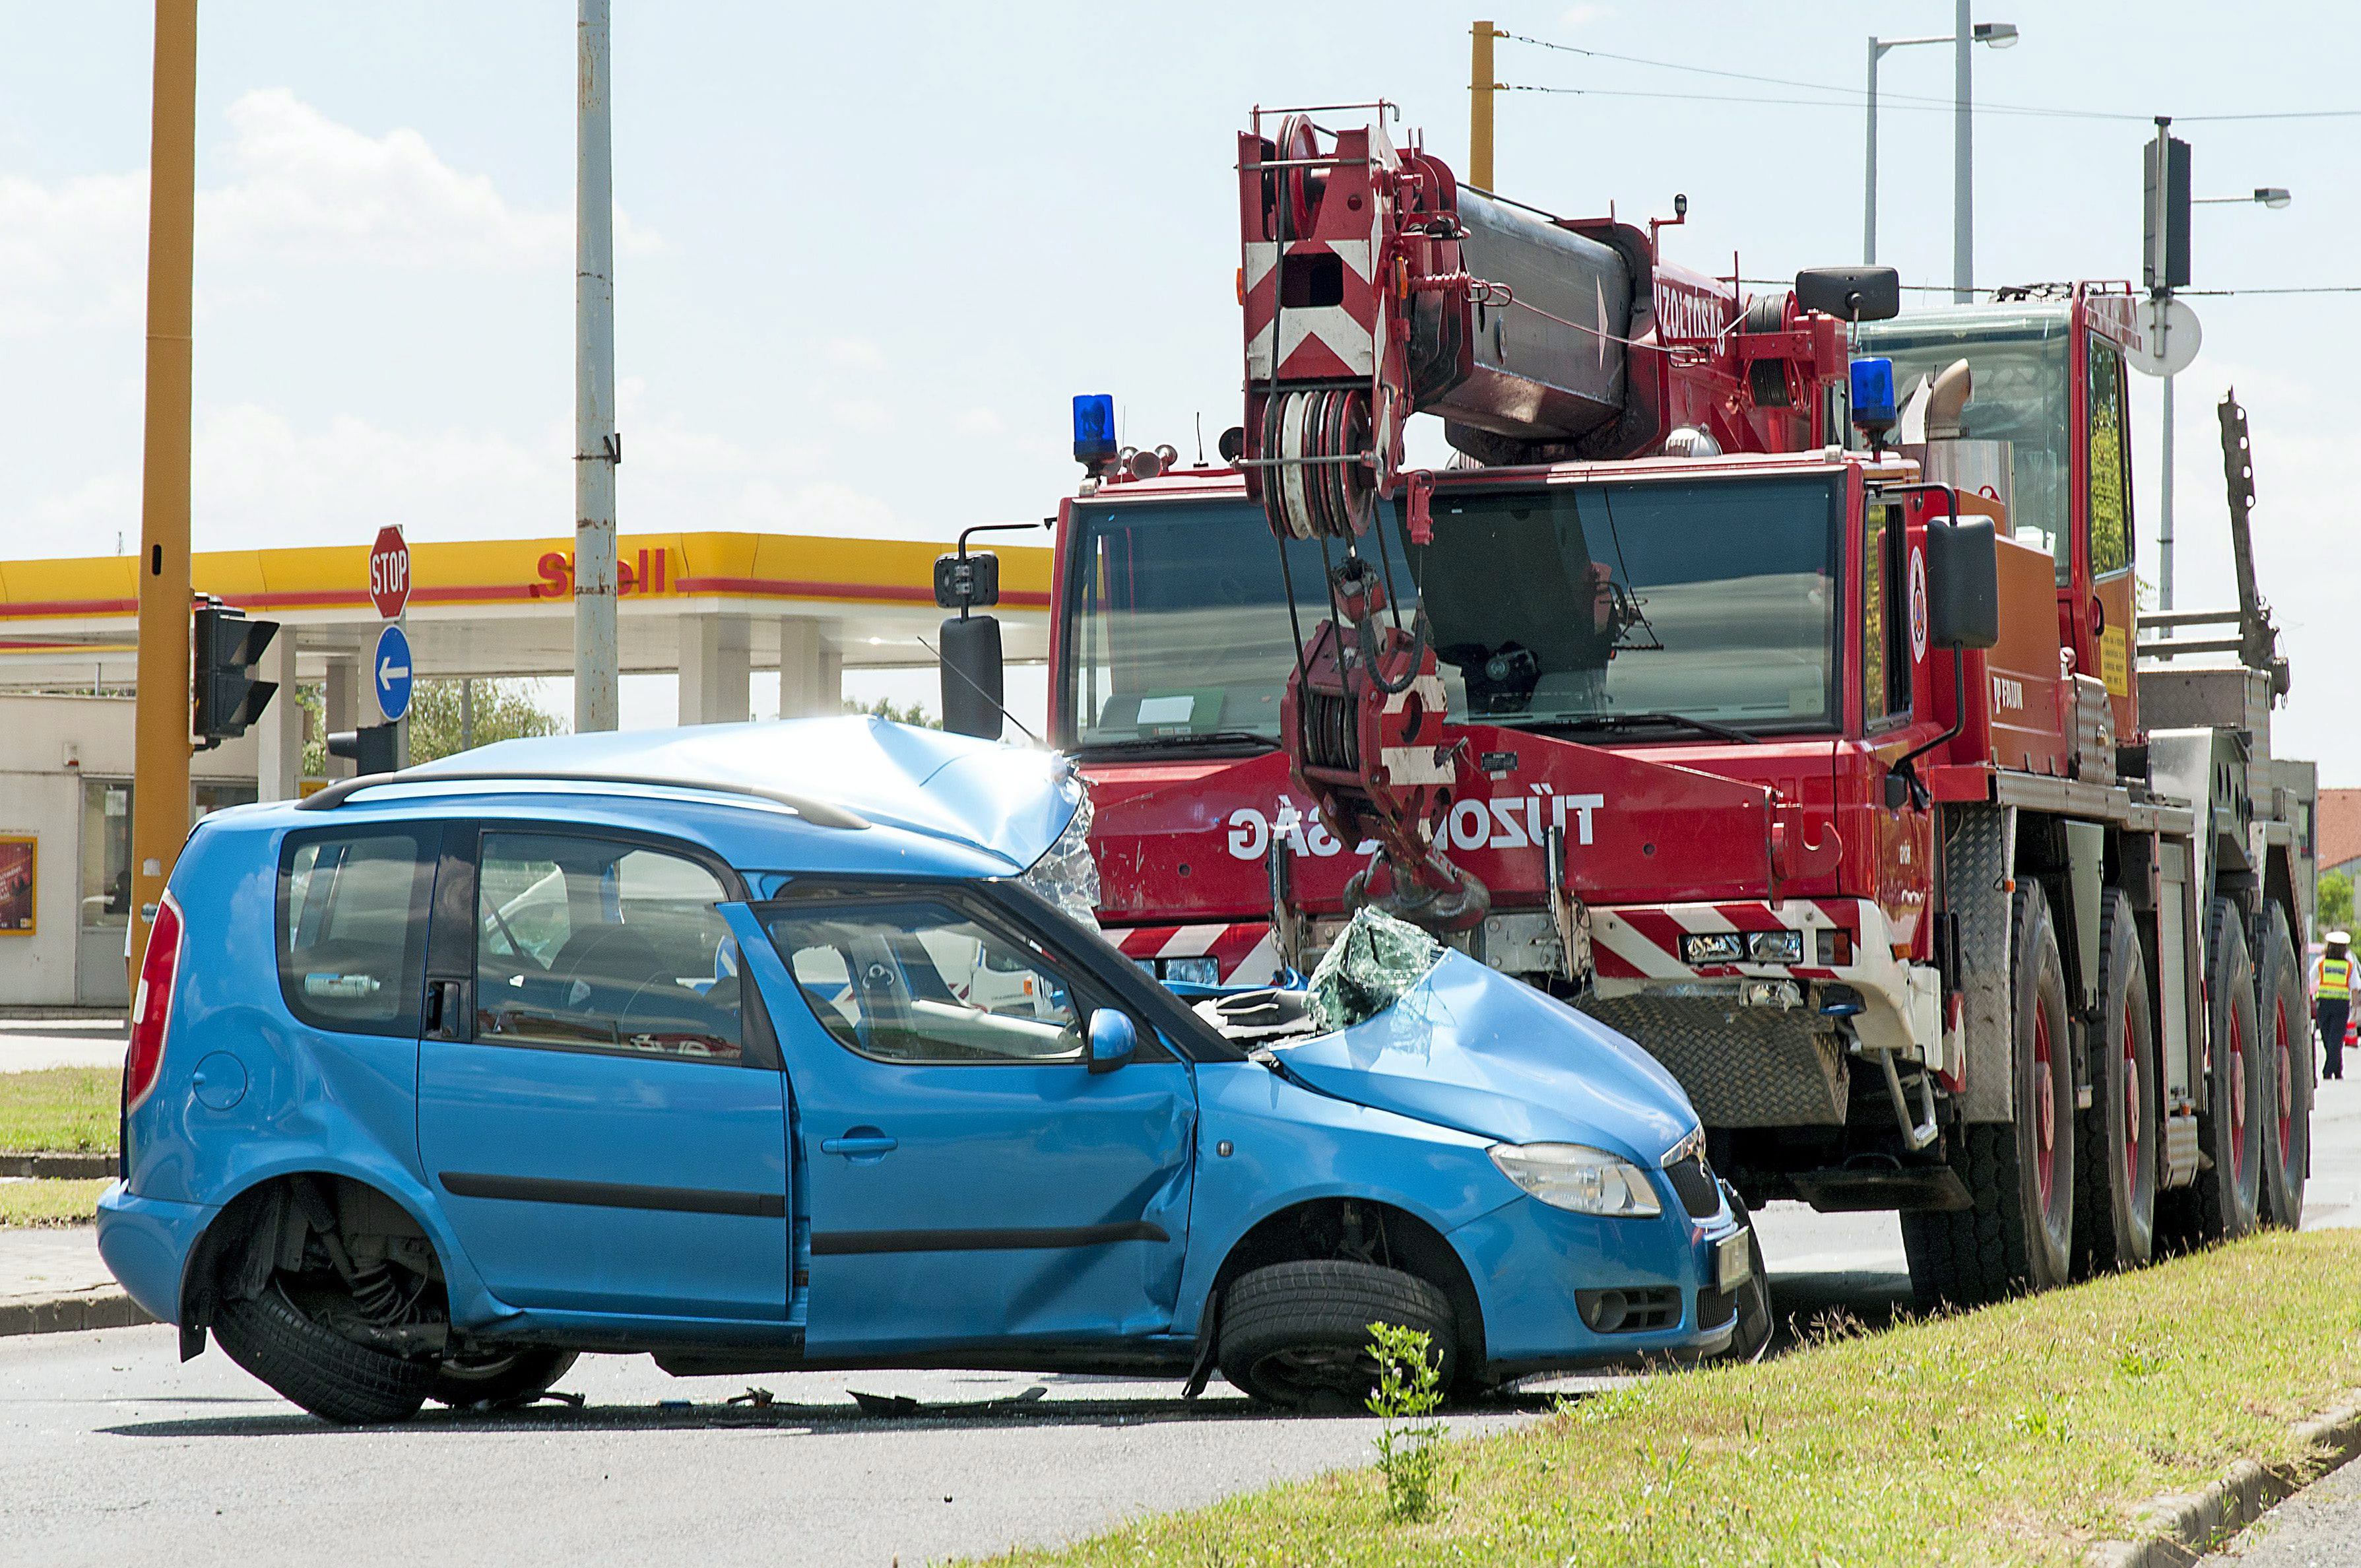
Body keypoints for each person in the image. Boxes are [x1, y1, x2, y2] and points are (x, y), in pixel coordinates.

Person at [2312, 929, 2352, 1082]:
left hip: (2324, 1005)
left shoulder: (2321, 963)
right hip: (2341, 1005)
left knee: (2328, 1038)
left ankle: (2328, 1071)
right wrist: (2354, 1007)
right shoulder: (2349, 965)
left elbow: (2310, 979)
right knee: (2336, 1038)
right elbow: (2355, 986)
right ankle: (2338, 1069)